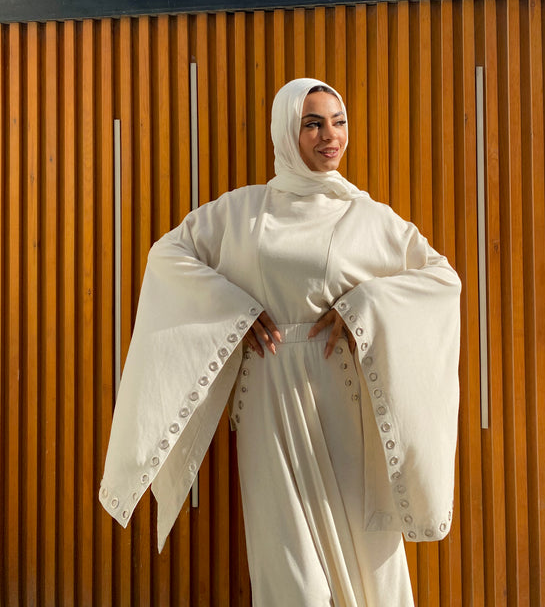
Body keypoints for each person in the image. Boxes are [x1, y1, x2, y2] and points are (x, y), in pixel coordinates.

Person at [100, 77, 461, 607]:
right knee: (289, 570)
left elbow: (440, 279)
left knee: (366, 557)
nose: (328, 136)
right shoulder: (242, 213)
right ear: (286, 130)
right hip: (268, 402)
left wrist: (363, 307)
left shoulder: (369, 218)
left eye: (337, 122)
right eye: (312, 123)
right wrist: (234, 311)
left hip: (343, 404)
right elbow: (168, 256)